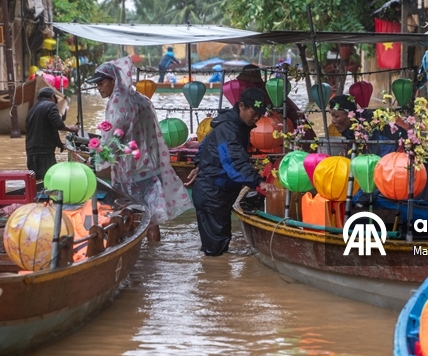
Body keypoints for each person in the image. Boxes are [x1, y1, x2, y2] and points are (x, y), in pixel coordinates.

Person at [87, 57, 191, 241]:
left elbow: (112, 139)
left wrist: (96, 160)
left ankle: (140, 253)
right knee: (151, 219)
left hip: (132, 171)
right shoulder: (140, 98)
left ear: (114, 80)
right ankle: (153, 252)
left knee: (131, 216)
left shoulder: (118, 103)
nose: (99, 88)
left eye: (101, 83)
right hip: (151, 167)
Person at [184, 87, 273, 256]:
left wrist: (199, 165)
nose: (256, 118)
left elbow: (205, 145)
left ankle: (213, 269)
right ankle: (212, 271)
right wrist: (259, 182)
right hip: (212, 192)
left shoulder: (232, 124)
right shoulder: (229, 128)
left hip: (217, 191)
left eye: (259, 115)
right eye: (254, 113)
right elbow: (234, 161)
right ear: (242, 106)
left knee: (218, 244)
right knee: (216, 249)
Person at [25, 87, 81, 180]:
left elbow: (50, 129)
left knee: (36, 180)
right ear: (52, 96)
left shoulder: (32, 110)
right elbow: (58, 124)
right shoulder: (51, 105)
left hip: (31, 152)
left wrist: (60, 144)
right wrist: (70, 128)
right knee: (50, 178)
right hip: (44, 152)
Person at [327, 94, 405, 157]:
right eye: (332, 116)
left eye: (336, 116)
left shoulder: (372, 130)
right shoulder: (351, 132)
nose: (333, 121)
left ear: (350, 115)